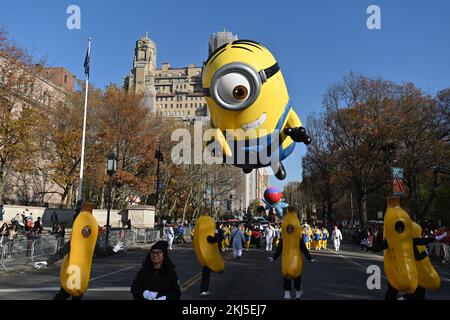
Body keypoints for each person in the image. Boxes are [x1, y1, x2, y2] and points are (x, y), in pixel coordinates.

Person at [269, 230, 318, 300]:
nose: (290, 230)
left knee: (297, 278)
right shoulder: (284, 239)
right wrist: (273, 258)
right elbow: (279, 249)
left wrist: (310, 259)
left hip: (296, 261)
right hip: (287, 261)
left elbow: (304, 249)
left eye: (291, 228)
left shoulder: (298, 239)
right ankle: (287, 295)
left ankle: (298, 296)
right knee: (286, 277)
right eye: (288, 228)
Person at [200, 222, 224, 296]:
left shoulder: (218, 232)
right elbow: (212, 239)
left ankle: (205, 290)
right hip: (208, 256)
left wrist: (218, 232)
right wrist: (216, 233)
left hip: (214, 255)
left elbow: (221, 238)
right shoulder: (208, 234)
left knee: (207, 274)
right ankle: (203, 290)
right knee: (206, 274)